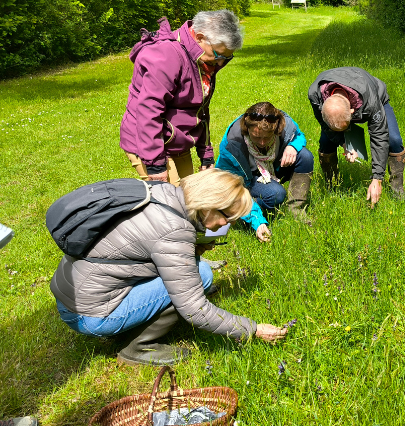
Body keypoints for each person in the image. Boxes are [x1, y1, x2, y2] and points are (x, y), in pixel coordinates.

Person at [49, 170, 288, 366]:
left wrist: (192, 250)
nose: (226, 226)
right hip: (89, 314)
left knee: (191, 270)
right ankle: (137, 348)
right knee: (201, 275)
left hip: (75, 293)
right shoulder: (175, 231)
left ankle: (129, 326)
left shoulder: (166, 192)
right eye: (227, 218)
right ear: (209, 205)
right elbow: (195, 309)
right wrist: (252, 330)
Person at [119, 10, 243, 186]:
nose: (221, 63)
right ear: (200, 37)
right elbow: (148, 111)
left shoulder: (203, 61)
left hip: (177, 141)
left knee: (191, 195)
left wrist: (206, 154)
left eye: (227, 57)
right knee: (172, 203)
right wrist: (155, 164)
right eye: (219, 55)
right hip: (149, 143)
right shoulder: (167, 55)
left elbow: (200, 110)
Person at [307, 67, 405, 206]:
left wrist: (377, 178)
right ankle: (332, 185)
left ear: (352, 113)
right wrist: (344, 144)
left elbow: (379, 136)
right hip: (345, 105)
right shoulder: (315, 95)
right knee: (326, 141)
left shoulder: (370, 99)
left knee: (394, 140)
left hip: (375, 97)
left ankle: (397, 189)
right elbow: (325, 127)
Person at [217, 102, 313, 232]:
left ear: (276, 128)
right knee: (276, 194)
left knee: (305, 156)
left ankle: (296, 209)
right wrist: (257, 221)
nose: (262, 143)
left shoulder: (285, 125)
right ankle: (247, 211)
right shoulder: (232, 145)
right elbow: (230, 187)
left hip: (275, 168)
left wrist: (293, 146)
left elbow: (299, 135)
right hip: (249, 179)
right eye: (256, 137)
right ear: (247, 128)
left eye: (267, 137)